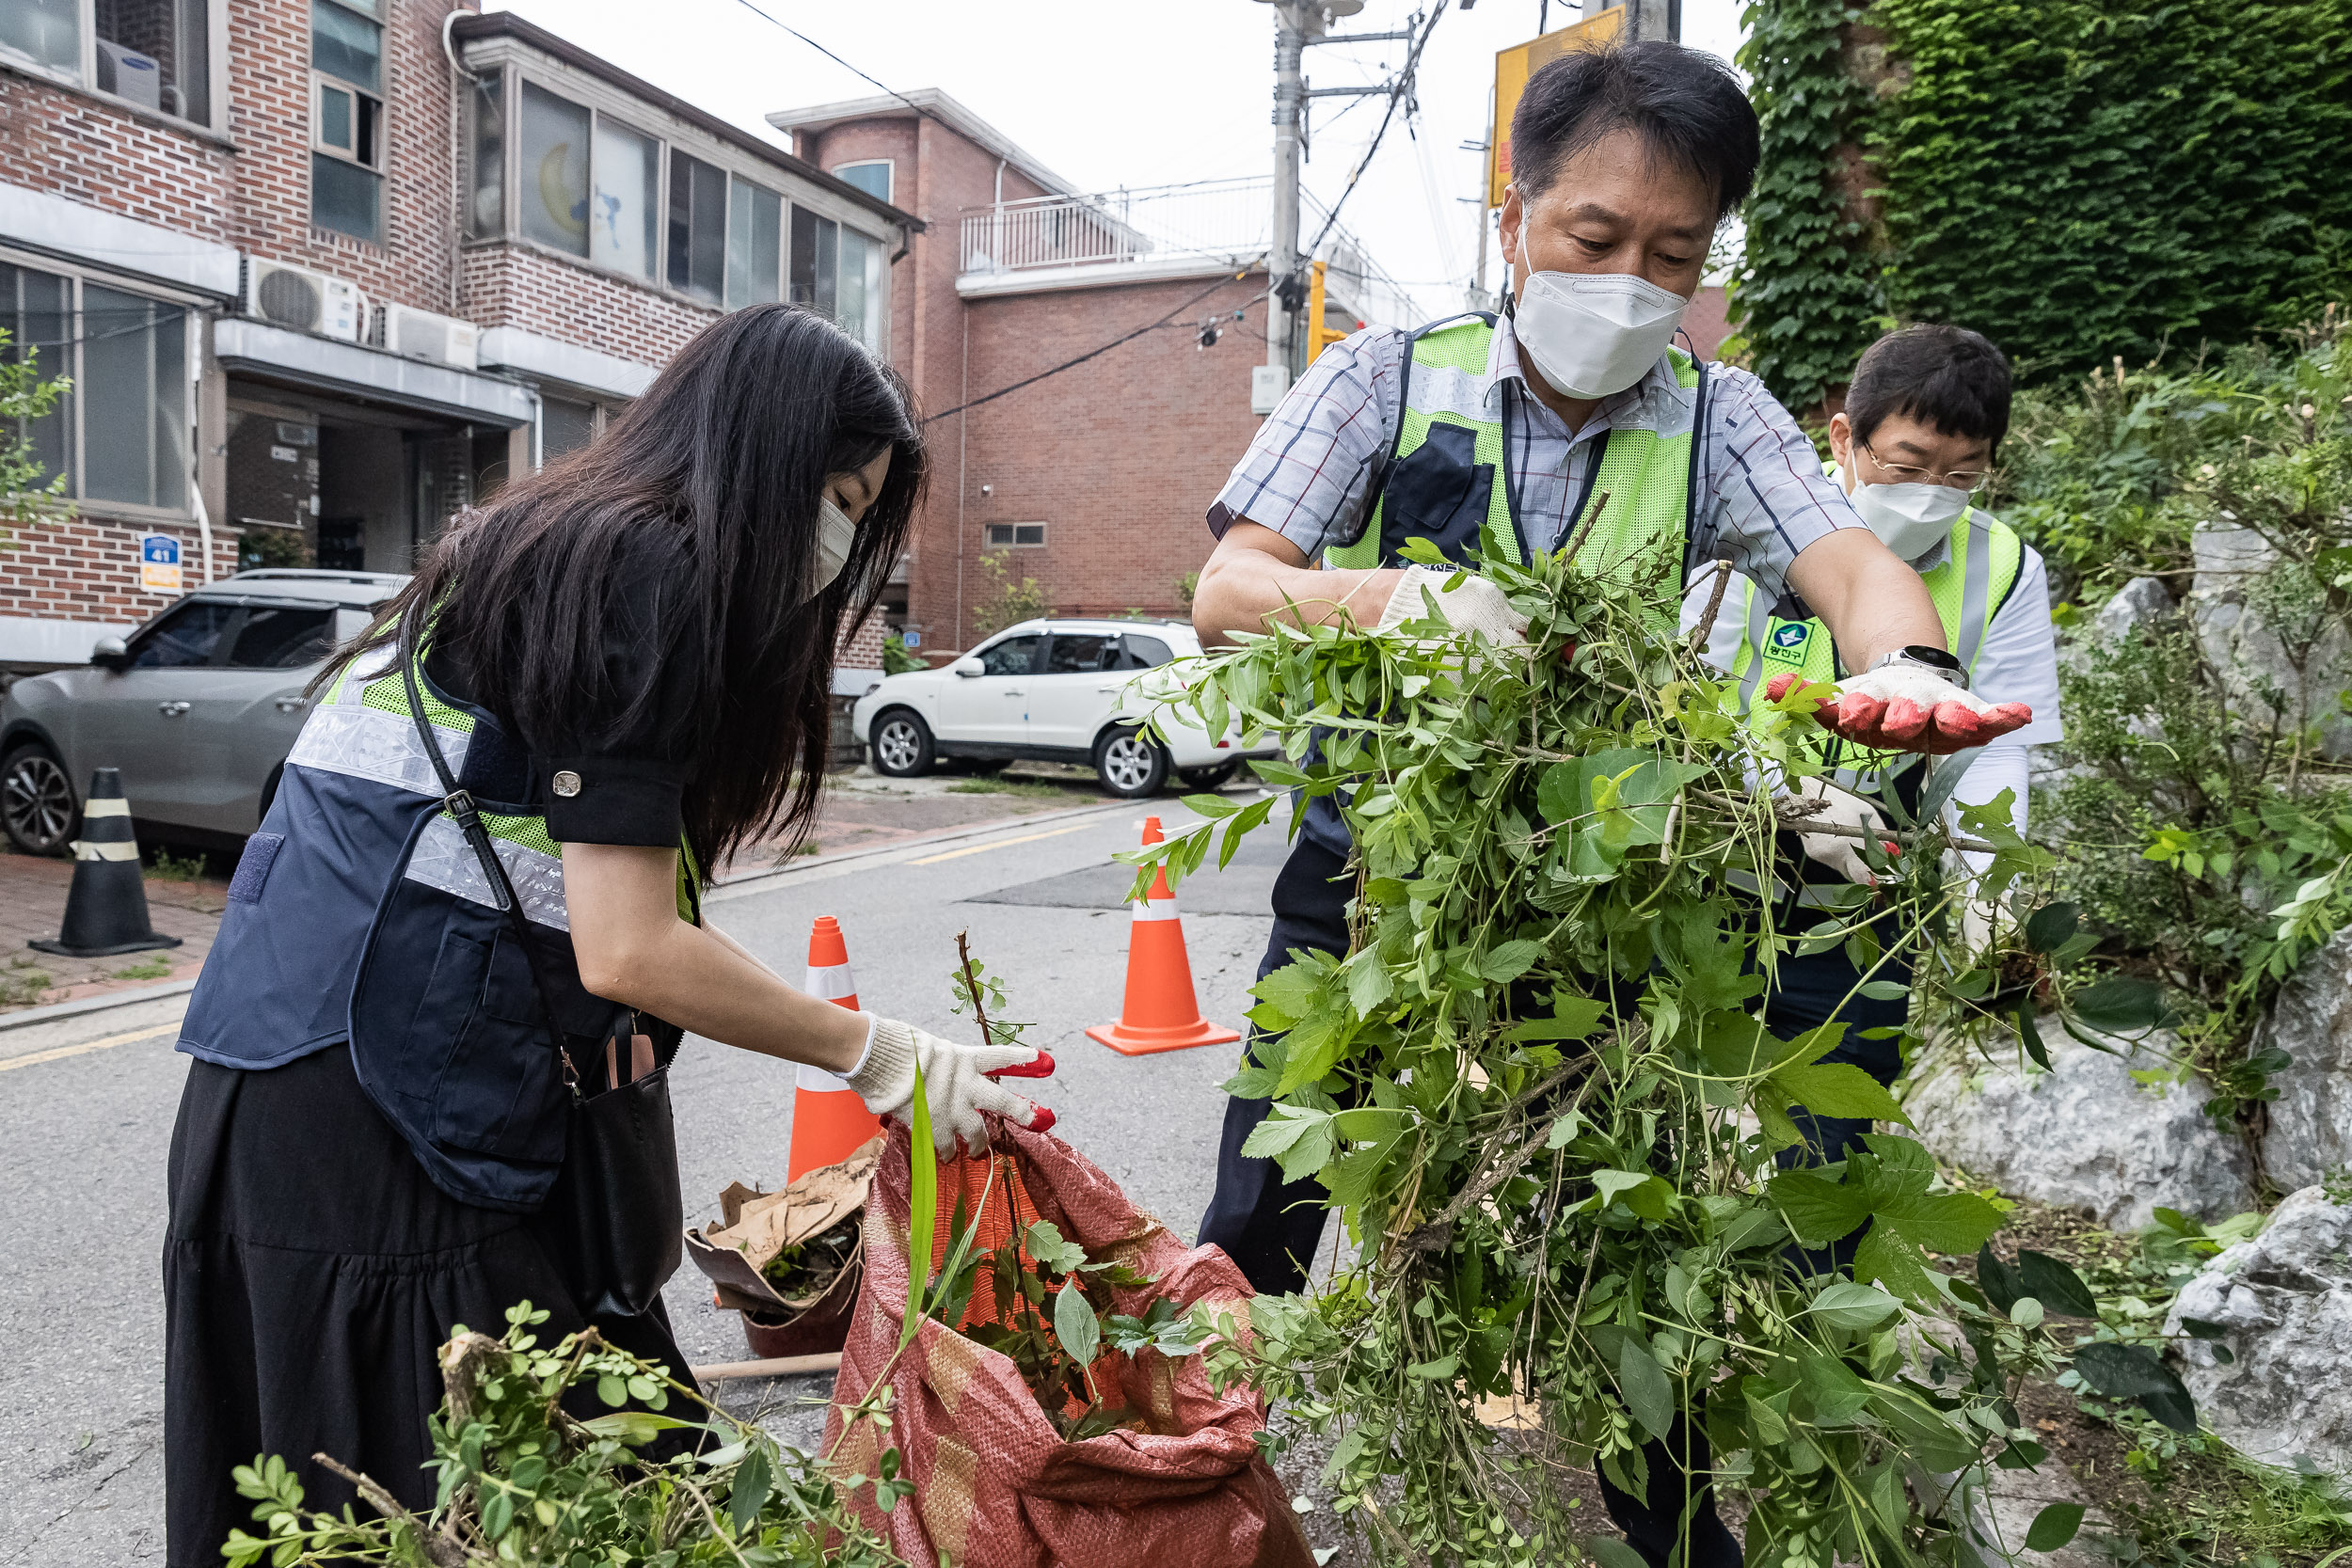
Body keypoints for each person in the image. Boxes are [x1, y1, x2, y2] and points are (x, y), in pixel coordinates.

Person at [1187, 42, 2033, 1568]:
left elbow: (1845, 558)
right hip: (1378, 885)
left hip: (1604, 903)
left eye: (1676, 257)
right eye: (1598, 239)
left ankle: (1669, 1527)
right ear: (1517, 217)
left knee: (1630, 1236)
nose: (1635, 286)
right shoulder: (1387, 373)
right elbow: (1228, 588)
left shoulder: (1720, 415)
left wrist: (1905, 656)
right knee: (1271, 1202)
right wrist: (1390, 603)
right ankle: (1168, 1484)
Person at [162, 304, 1056, 1568]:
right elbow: (625, 949)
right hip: (369, 1122)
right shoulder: (644, 570)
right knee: (480, 1503)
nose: (840, 543)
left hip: (319, 1069)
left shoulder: (554, 537)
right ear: (763, 462)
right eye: (841, 499)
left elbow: (595, 917)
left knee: (569, 1478)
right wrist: (879, 1051)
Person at [1686, 322, 2062, 1265]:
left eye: (1964, 474)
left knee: (1832, 1120)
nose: (1933, 494)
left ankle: (1810, 1320)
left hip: (1865, 880)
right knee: (1668, 1096)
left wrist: (1988, 887)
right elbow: (1686, 709)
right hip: (1704, 861)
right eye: (1910, 462)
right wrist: (1780, 792)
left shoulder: (2003, 565)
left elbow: (2001, 744)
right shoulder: (1750, 536)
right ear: (1844, 436)